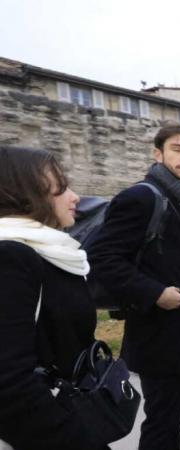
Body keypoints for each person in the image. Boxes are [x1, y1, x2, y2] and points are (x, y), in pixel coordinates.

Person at [88, 123, 180, 449]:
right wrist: (155, 293)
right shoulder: (142, 197)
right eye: (177, 150)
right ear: (157, 153)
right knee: (162, 421)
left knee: (170, 415)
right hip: (158, 334)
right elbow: (102, 258)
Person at [0, 146, 109, 449]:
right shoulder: (11, 257)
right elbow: (9, 384)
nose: (75, 196)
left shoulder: (45, 251)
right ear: (23, 193)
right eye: (61, 187)